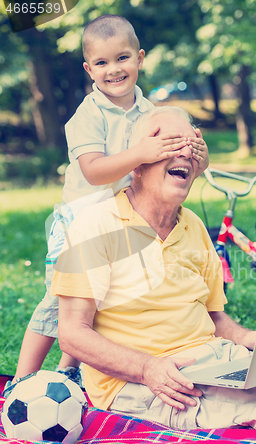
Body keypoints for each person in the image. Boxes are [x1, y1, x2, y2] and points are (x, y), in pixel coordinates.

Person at [51, 106, 256, 436]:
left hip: (218, 361)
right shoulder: (95, 226)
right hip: (151, 384)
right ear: (137, 162)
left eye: (192, 142)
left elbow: (214, 318)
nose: (185, 150)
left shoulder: (193, 226)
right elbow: (71, 333)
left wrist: (253, 340)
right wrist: (147, 368)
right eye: (171, 142)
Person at [3, 16, 209, 398]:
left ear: (140, 59)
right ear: (88, 69)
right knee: (60, 303)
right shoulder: (88, 115)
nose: (113, 70)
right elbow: (94, 172)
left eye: (122, 58)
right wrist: (140, 152)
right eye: (101, 63)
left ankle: (70, 374)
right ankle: (20, 381)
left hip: (122, 219)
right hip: (79, 219)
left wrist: (200, 154)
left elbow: (183, 162)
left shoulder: (150, 111)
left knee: (102, 304)